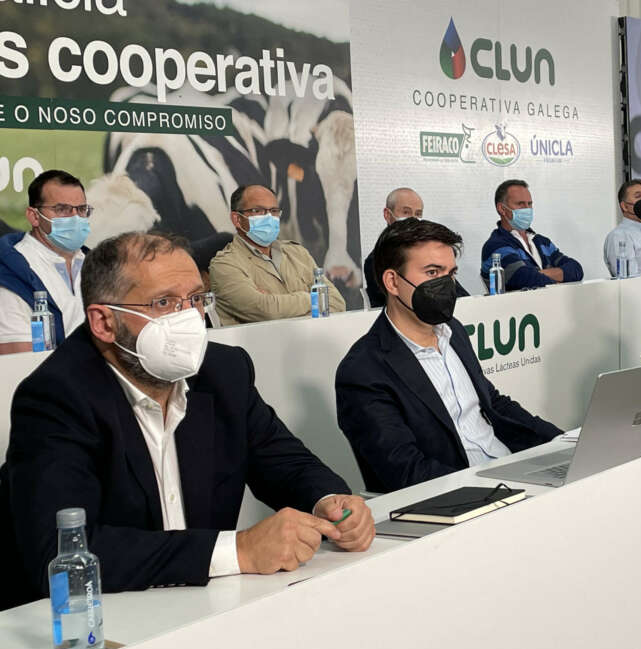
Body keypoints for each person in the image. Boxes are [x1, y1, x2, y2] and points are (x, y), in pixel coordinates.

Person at [0, 231, 374, 610]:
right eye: (164, 302)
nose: (188, 318)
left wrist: (330, 502)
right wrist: (239, 550)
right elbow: (61, 554)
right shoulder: (56, 397)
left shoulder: (224, 371)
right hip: (90, 621)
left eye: (195, 299)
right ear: (104, 322)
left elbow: (285, 462)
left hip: (200, 608)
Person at [336, 219, 562, 493]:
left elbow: (492, 403)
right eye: (432, 273)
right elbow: (404, 470)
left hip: (509, 470)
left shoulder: (453, 331)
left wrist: (562, 442)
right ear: (393, 281)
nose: (447, 285)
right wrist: (491, 488)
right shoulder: (363, 370)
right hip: (463, 495)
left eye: (450, 273)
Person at [209, 184, 346, 325]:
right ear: (237, 219)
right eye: (258, 210)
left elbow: (338, 303)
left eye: (274, 211)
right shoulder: (224, 266)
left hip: (310, 341)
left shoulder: (298, 253)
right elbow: (266, 311)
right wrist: (313, 299)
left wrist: (279, 304)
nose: (269, 217)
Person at [0, 170, 92, 354]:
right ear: (34, 216)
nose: (75, 218)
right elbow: (19, 363)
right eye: (62, 209)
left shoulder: (99, 265)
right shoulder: (10, 276)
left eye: (81, 209)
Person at [363, 187, 469, 307]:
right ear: (387, 215)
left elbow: (462, 296)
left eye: (418, 214)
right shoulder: (375, 260)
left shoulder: (428, 254)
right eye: (406, 212)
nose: (413, 219)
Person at [480, 179, 583, 291]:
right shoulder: (495, 245)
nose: (527, 209)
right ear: (502, 209)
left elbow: (576, 270)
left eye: (529, 204)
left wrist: (538, 274)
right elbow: (525, 278)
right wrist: (557, 279)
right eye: (520, 204)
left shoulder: (542, 242)